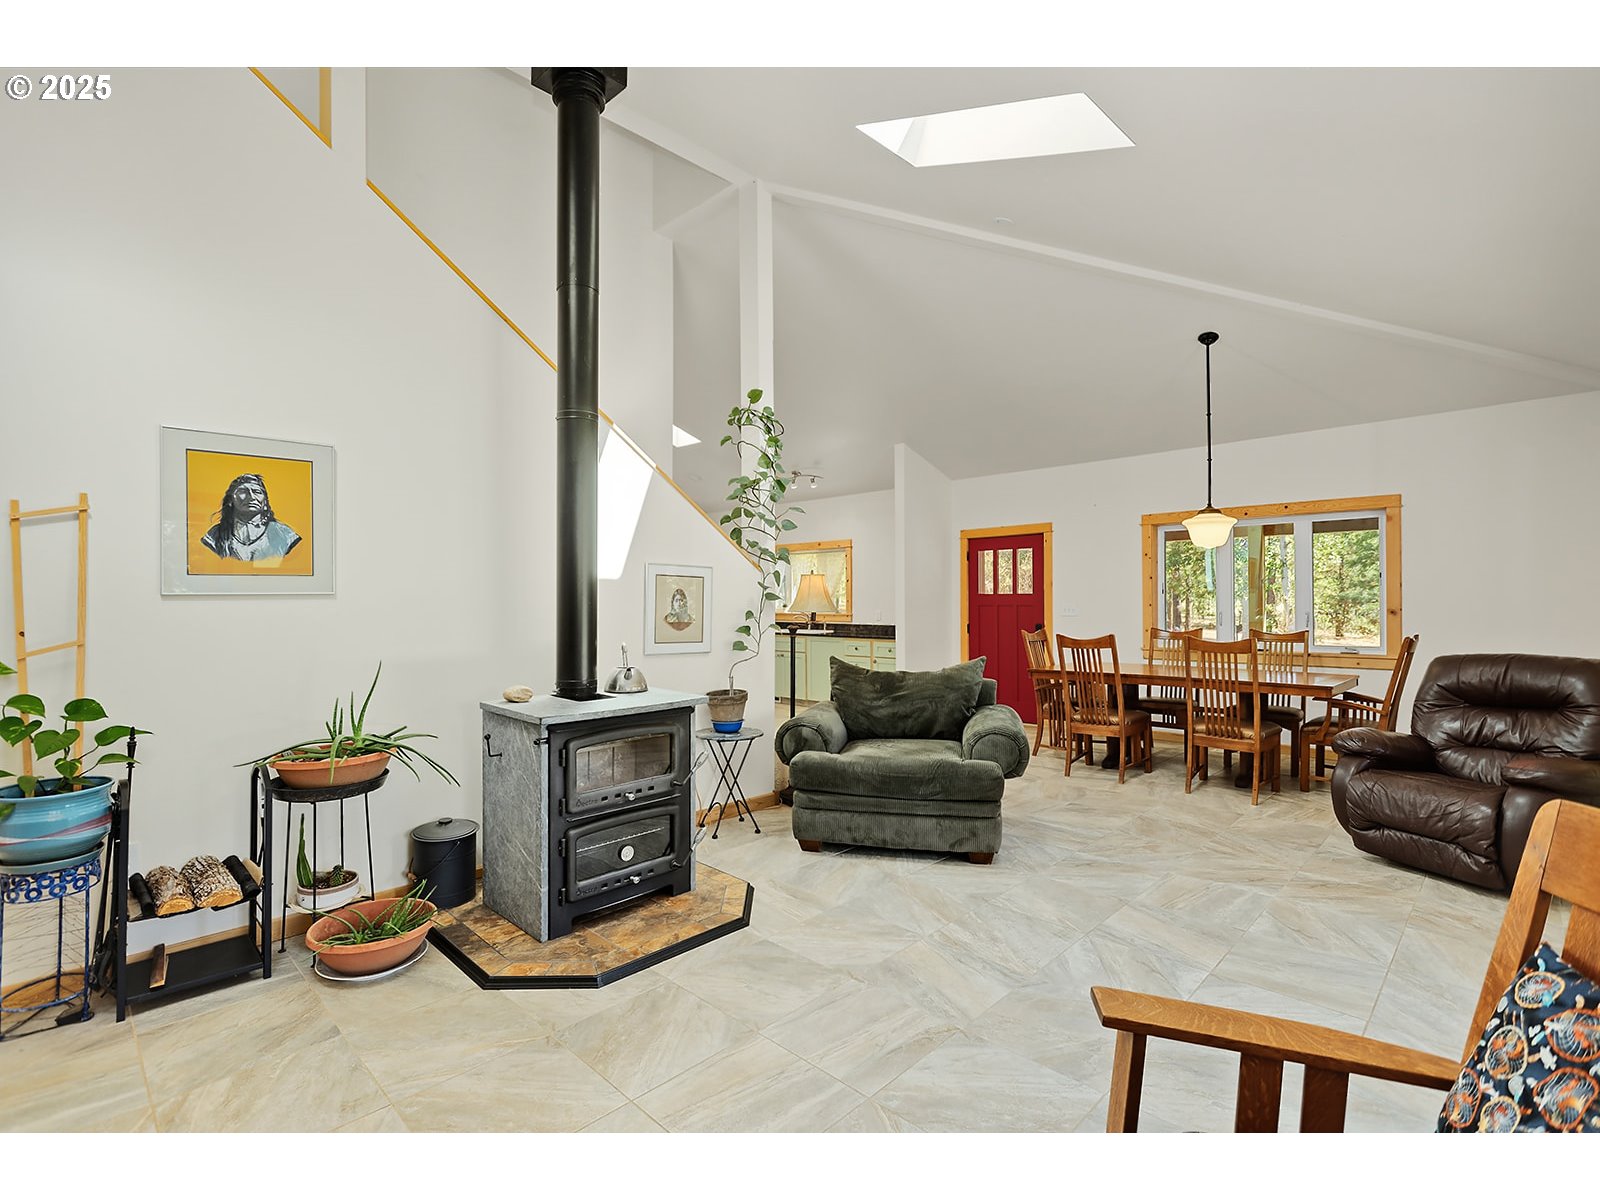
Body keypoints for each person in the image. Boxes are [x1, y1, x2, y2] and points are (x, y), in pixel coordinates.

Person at [200, 473, 302, 562]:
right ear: (230, 501)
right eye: (243, 491)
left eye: (257, 492)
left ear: (265, 503)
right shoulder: (214, 536)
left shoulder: (284, 534)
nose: (252, 497)